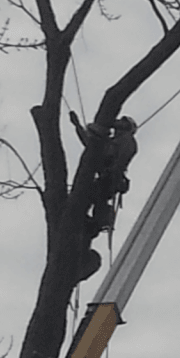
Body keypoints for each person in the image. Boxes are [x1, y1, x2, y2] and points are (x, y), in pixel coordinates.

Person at [69, 113, 138, 284]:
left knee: (94, 202)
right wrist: (78, 126)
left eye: (122, 123)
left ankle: (93, 224)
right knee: (83, 205)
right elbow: (92, 146)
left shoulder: (127, 141)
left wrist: (98, 131)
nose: (118, 124)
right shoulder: (114, 141)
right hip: (104, 179)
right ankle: (86, 229)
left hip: (109, 180)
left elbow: (107, 154)